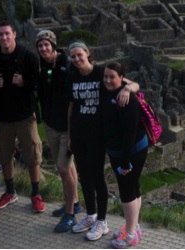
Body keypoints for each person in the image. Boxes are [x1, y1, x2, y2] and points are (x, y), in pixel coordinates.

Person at [67, 41, 138, 240]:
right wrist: (70, 135)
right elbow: (72, 107)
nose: (76, 59)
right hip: (79, 133)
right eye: (73, 56)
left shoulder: (101, 73)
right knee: (84, 176)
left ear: (87, 53)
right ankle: (90, 215)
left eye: (79, 54)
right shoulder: (72, 77)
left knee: (97, 177)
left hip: (97, 135)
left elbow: (131, 83)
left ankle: (102, 221)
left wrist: (128, 89)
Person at [0, 22, 44, 212]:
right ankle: (10, 192)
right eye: (0, 35)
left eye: (7, 34)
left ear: (14, 34)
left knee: (32, 156)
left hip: (25, 116)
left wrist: (24, 82)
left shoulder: (28, 57)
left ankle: (36, 194)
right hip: (2, 117)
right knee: (4, 156)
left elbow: (38, 84)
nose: (4, 38)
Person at [34, 30, 82, 232]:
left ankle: (70, 214)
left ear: (53, 45)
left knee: (63, 169)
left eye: (47, 45)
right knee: (68, 168)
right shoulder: (42, 66)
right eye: (40, 46)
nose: (44, 49)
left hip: (68, 127)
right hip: (52, 125)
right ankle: (75, 203)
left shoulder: (68, 64)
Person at [103, 62, 148, 248]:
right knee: (134, 187)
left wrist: (125, 161)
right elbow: (133, 83)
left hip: (131, 151)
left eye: (112, 77)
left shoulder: (127, 99)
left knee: (127, 192)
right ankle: (134, 226)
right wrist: (129, 86)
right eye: (105, 76)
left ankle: (130, 235)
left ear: (121, 78)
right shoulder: (113, 91)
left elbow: (129, 134)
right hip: (124, 151)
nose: (107, 80)